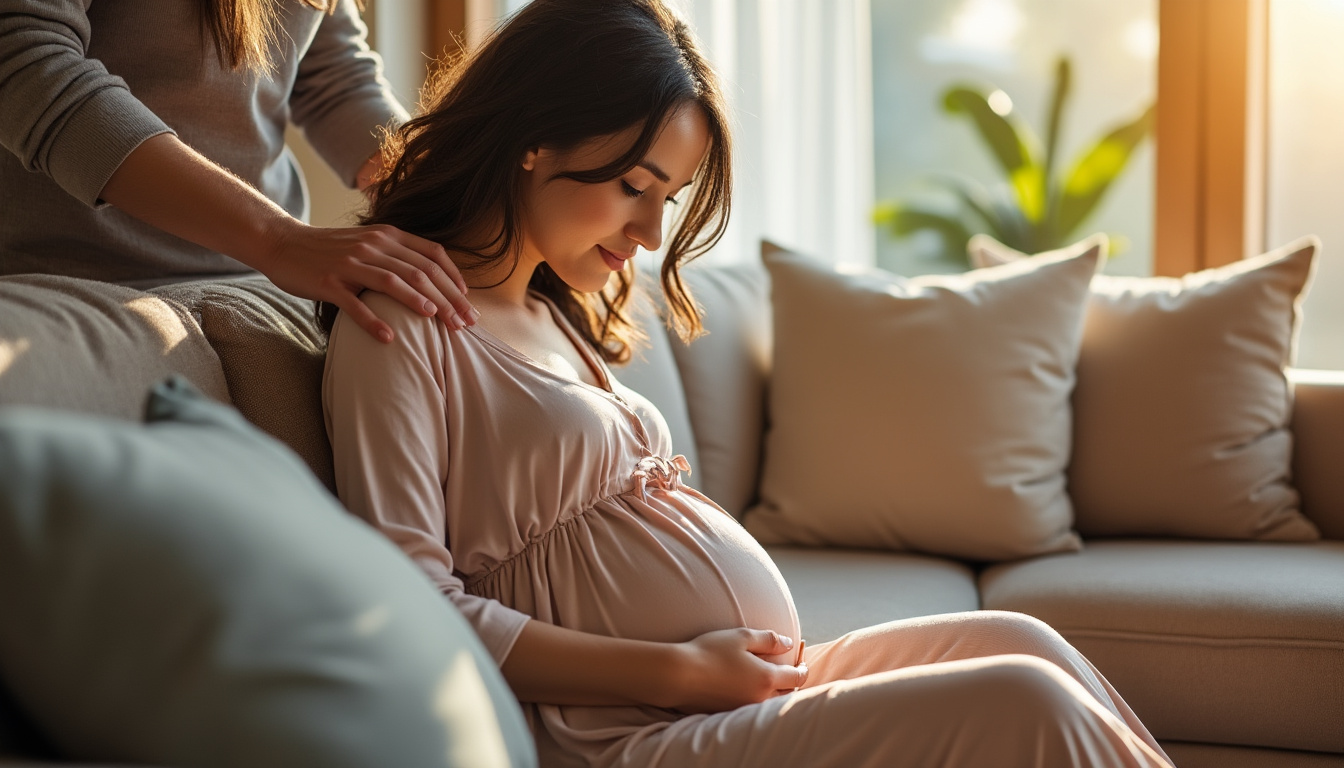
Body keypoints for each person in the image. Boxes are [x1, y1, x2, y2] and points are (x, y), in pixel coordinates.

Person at [321, 1, 1175, 765]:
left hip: (717, 693)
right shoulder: (400, 328)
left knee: (1023, 641)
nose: (652, 234)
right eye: (634, 187)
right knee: (1021, 701)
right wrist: (680, 668)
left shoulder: (555, 314)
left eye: (671, 196)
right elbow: (414, 606)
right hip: (627, 731)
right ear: (534, 140)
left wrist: (707, 668)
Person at [0, 0, 475, 342]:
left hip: (261, 288)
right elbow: (26, 58)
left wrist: (460, 196)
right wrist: (279, 240)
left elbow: (334, 77)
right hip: (76, 283)